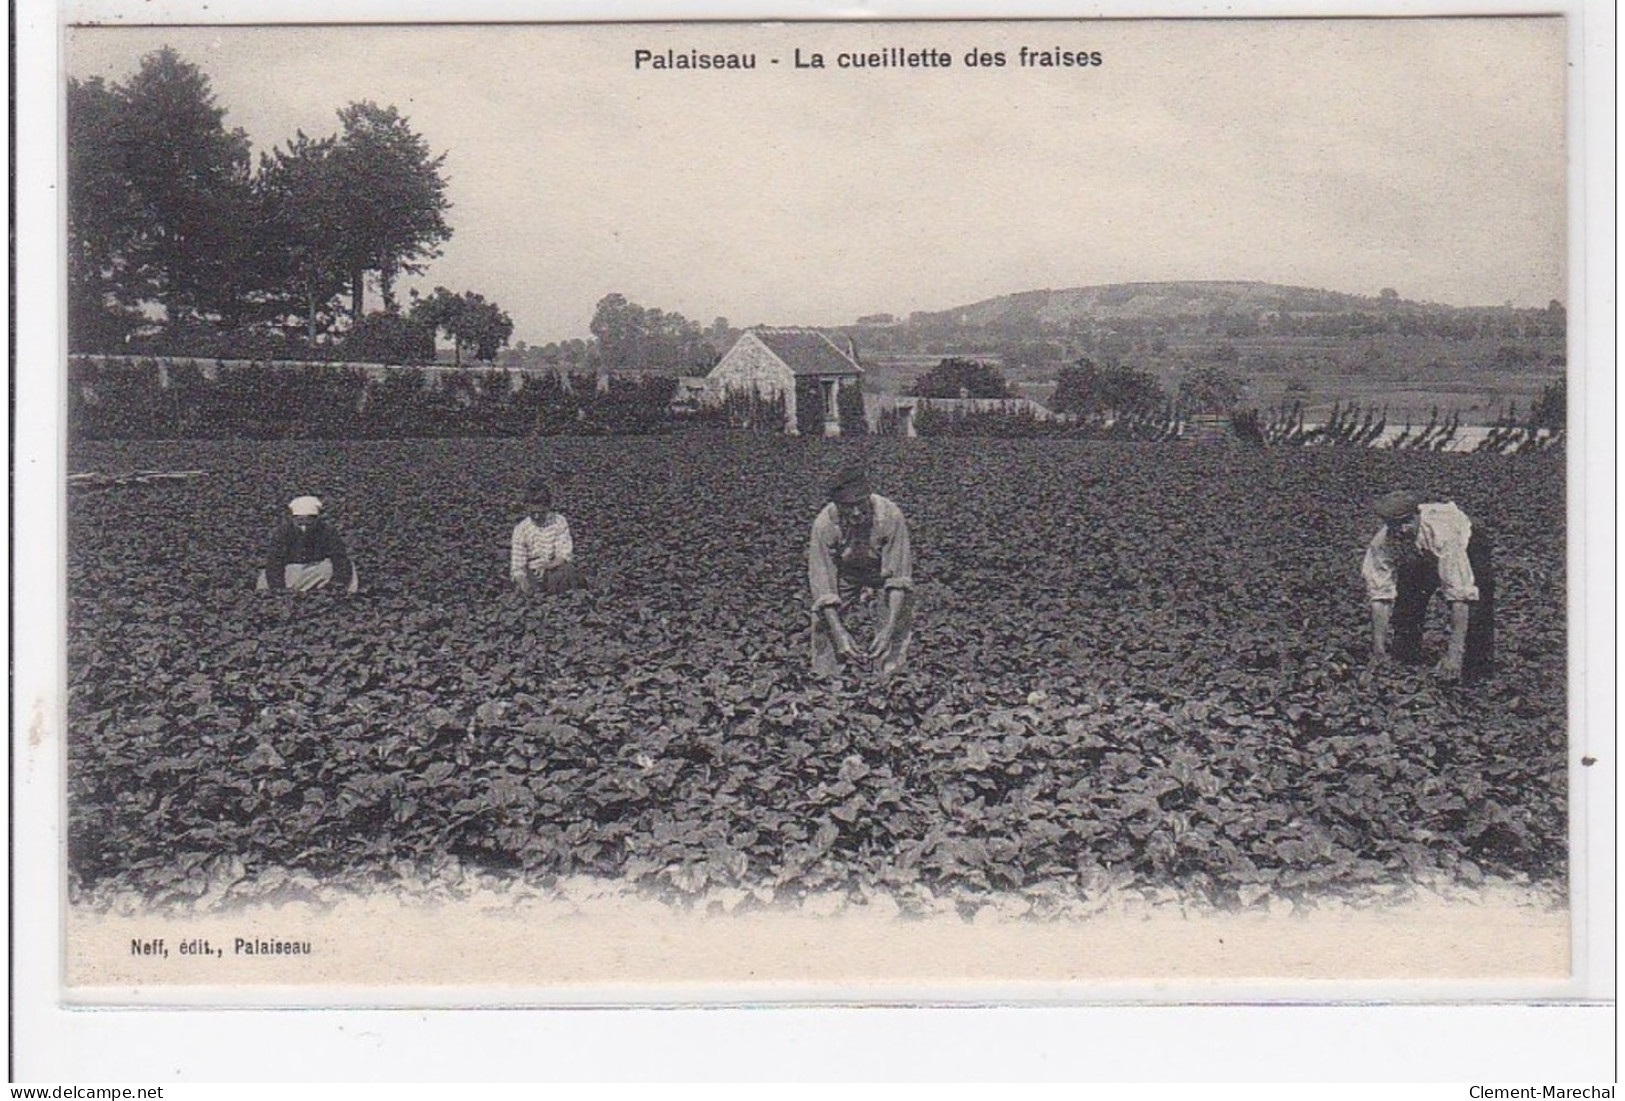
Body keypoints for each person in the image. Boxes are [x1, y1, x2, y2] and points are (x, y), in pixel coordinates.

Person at [1361, 489, 1494, 683]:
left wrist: (1453, 656)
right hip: (1420, 550)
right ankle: (1405, 656)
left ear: (1418, 515)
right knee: (1408, 597)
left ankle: (1475, 669)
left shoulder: (1444, 535)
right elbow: (1380, 598)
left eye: (1406, 523)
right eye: (1394, 525)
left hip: (1468, 538)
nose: (1401, 530)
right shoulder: (1383, 543)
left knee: (1477, 602)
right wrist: (1378, 649)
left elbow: (1460, 597)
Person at [808, 465, 915, 677]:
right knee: (824, 620)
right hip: (845, 572)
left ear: (870, 497)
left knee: (899, 613)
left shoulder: (890, 515)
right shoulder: (824, 525)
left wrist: (888, 630)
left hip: (881, 571)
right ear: (837, 505)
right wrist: (839, 632)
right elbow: (823, 585)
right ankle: (827, 680)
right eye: (848, 506)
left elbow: (899, 578)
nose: (856, 512)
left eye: (861, 504)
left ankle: (891, 677)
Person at [256, 495, 359, 595]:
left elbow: (339, 557)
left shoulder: (327, 531)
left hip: (315, 569)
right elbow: (275, 560)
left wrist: (337, 583)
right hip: (291, 571)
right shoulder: (283, 532)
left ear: (316, 519)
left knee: (343, 567)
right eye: (299, 521)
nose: (304, 526)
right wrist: (278, 586)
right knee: (266, 575)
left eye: (309, 521)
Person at [510, 477, 585, 595]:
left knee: (567, 572)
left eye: (541, 513)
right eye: (532, 512)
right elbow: (517, 564)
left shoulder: (559, 522)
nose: (536, 516)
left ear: (548, 507)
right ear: (527, 507)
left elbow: (564, 554)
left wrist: (548, 566)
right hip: (532, 572)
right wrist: (522, 581)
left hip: (554, 568)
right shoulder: (521, 529)